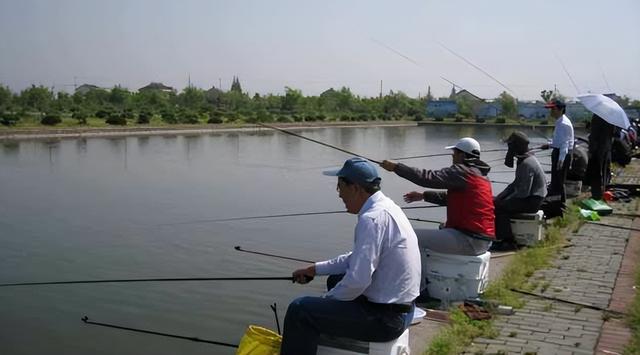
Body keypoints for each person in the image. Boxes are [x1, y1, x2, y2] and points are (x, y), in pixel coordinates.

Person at [280, 157, 421, 355]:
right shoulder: (388, 208)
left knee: (300, 310)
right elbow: (356, 259)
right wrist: (315, 269)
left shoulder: (371, 220)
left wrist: (326, 300)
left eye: (340, 187)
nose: (339, 195)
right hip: (404, 310)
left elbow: (358, 280)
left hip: (385, 320)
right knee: (335, 279)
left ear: (355, 188)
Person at [381, 137, 495, 256]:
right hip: (483, 241)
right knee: (442, 227)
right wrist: (423, 196)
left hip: (469, 240)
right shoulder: (481, 176)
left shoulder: (462, 171)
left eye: (454, 153)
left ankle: (415, 274)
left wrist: (397, 167)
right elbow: (452, 198)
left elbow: (427, 177)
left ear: (462, 155)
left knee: (404, 237)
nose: (452, 157)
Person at [493, 131, 547, 250]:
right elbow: (515, 184)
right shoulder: (525, 159)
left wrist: (504, 201)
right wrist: (501, 196)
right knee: (496, 201)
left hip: (533, 200)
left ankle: (507, 241)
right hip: (530, 197)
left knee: (500, 207)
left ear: (515, 146)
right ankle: (501, 236)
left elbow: (523, 192)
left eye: (510, 146)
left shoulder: (527, 163)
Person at [540, 99, 574, 216]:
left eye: (553, 109)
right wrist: (549, 144)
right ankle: (560, 207)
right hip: (559, 152)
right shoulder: (560, 122)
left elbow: (565, 144)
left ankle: (559, 209)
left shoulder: (563, 123)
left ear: (561, 109)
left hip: (562, 154)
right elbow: (558, 141)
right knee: (557, 182)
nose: (551, 111)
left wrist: (561, 160)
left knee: (558, 183)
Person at [585, 114, 614, 201]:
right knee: (606, 171)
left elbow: (593, 135)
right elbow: (614, 133)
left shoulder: (597, 116)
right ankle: (605, 191)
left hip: (597, 149)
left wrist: (591, 150)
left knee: (595, 173)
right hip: (607, 147)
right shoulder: (612, 118)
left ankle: (596, 195)